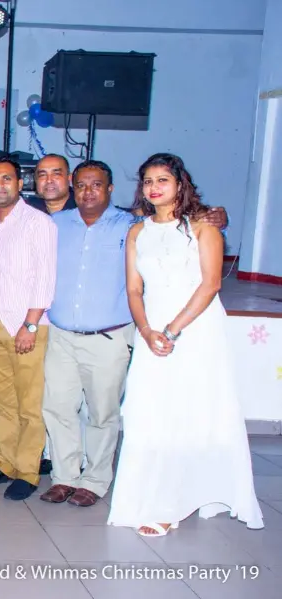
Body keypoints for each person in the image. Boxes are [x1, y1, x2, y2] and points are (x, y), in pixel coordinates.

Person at [108, 153, 263, 536]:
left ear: (181, 184)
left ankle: (172, 504)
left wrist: (172, 330)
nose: (154, 187)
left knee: (187, 413)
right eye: (147, 181)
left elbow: (211, 284)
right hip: (151, 332)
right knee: (148, 414)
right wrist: (147, 331)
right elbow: (134, 289)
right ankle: (146, 495)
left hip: (195, 330)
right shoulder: (138, 232)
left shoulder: (203, 227)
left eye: (162, 179)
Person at [39, 160, 136, 507]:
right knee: (57, 408)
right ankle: (64, 477)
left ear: (110, 189)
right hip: (62, 336)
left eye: (96, 185)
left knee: (102, 413)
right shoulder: (56, 224)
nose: (88, 192)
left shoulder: (131, 226)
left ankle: (94, 481)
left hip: (108, 338)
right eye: (80, 185)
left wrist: (211, 217)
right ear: (72, 188)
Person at [0, 156, 57, 501]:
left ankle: (28, 471)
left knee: (29, 405)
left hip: (28, 325)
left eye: (6, 179)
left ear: (20, 184)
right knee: (2, 402)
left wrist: (30, 325)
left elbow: (45, 278)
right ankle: (5, 464)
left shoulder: (39, 222)